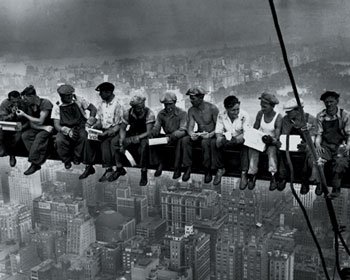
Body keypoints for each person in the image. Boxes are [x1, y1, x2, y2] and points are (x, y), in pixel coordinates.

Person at [51, 84, 97, 179]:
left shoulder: (79, 100)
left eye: (71, 95)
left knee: (85, 137)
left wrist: (91, 118)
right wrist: (65, 130)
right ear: (61, 96)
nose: (70, 97)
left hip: (81, 125)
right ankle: (66, 160)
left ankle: (86, 164)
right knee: (59, 140)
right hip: (66, 127)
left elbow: (93, 108)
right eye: (67, 96)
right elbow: (56, 124)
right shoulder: (57, 106)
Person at [113, 94, 156, 186]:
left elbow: (149, 132)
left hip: (144, 135)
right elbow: (123, 128)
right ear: (133, 107)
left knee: (144, 146)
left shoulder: (149, 113)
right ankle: (119, 168)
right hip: (132, 133)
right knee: (116, 142)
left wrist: (137, 138)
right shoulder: (127, 113)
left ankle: (144, 171)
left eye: (142, 107)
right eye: (138, 108)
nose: (141, 109)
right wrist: (122, 140)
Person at [278, 98, 318, 194]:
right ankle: (282, 177)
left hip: (305, 144)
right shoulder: (286, 120)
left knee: (309, 152)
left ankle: (305, 180)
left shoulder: (311, 119)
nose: (287, 114)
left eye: (289, 112)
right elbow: (284, 135)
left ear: (298, 110)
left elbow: (312, 139)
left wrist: (306, 145)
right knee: (280, 150)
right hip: (290, 144)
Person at [315, 91, 350, 197]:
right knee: (317, 160)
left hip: (340, 145)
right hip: (326, 145)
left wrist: (348, 146)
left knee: (340, 163)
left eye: (331, 101)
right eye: (326, 102)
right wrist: (317, 145)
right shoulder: (321, 116)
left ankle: (336, 188)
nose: (329, 104)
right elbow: (319, 134)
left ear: (337, 101)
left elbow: (349, 134)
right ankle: (320, 184)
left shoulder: (345, 115)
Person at [89, 82, 125, 182]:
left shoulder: (119, 104)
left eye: (101, 92)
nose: (100, 94)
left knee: (114, 143)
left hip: (118, 131)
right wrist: (95, 127)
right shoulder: (102, 104)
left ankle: (119, 168)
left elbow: (121, 124)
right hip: (105, 131)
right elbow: (100, 120)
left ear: (108, 92)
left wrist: (110, 132)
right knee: (104, 144)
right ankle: (108, 169)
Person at [181, 87, 219, 183]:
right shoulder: (192, 110)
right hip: (200, 134)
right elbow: (190, 126)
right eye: (190, 98)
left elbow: (219, 127)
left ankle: (207, 170)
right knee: (185, 140)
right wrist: (192, 134)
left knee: (205, 143)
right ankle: (188, 167)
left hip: (212, 135)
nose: (191, 101)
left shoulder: (212, 108)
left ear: (201, 98)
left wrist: (210, 135)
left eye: (193, 98)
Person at [247, 92, 282, 190]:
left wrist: (271, 140)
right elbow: (255, 128)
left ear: (272, 107)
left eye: (265, 107)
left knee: (271, 152)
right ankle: (252, 174)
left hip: (271, 142)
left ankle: (273, 175)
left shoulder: (278, 117)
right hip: (260, 140)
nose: (262, 109)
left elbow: (277, 136)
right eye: (261, 106)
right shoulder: (260, 114)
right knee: (253, 150)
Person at [16, 85, 54, 175]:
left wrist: (24, 115)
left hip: (50, 128)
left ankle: (35, 163)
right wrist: (42, 128)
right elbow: (32, 123)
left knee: (39, 137)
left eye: (26, 99)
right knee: (25, 135)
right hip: (41, 128)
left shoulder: (45, 103)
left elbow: (40, 121)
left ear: (32, 97)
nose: (25, 101)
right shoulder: (30, 106)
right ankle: (38, 157)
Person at [213, 95, 250, 187]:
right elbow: (218, 131)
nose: (236, 112)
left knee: (245, 146)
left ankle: (244, 173)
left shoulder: (244, 115)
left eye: (237, 109)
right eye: (233, 110)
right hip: (228, 139)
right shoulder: (221, 115)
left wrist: (238, 139)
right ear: (227, 109)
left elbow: (247, 132)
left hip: (240, 139)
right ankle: (220, 169)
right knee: (216, 143)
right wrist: (220, 139)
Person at [151, 92, 187, 179]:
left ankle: (177, 168)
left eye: (170, 104)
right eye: (165, 104)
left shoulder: (182, 113)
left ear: (175, 103)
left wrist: (172, 136)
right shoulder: (161, 114)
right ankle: (160, 164)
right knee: (153, 141)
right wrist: (153, 132)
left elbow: (183, 129)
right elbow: (157, 126)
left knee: (180, 142)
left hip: (178, 137)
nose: (168, 107)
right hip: (167, 136)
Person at [0, 90, 27, 167]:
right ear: (9, 100)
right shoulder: (5, 104)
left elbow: (28, 117)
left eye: (17, 101)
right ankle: (2, 147)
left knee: (17, 138)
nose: (16, 103)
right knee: (2, 133)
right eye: (13, 101)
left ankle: (12, 154)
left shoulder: (24, 103)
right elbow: (2, 118)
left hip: (20, 125)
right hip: (8, 125)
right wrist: (11, 115)